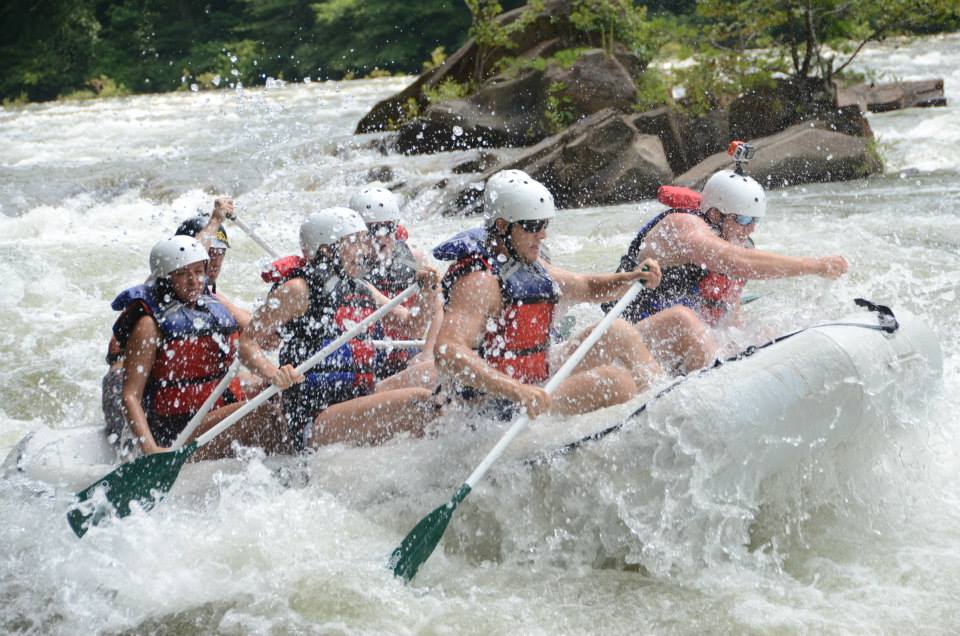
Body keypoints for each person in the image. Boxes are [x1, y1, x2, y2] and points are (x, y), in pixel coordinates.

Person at [433, 170, 664, 420]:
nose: (542, 235)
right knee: (616, 381)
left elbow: (587, 287)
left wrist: (630, 278)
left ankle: (663, 401)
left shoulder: (528, 265)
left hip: (533, 380)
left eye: (544, 224)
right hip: (492, 406)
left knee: (618, 331)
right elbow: (447, 350)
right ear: (502, 226)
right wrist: (517, 390)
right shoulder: (479, 282)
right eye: (532, 226)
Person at [239, 207, 440, 451]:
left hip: (359, 396)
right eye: (355, 243)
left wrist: (427, 293)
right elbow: (248, 342)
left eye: (364, 242)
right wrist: (273, 373)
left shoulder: (360, 288)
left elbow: (412, 327)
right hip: (315, 415)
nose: (365, 251)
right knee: (420, 402)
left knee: (439, 371)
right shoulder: (298, 290)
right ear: (326, 249)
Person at [605, 169, 849, 367]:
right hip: (626, 336)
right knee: (684, 321)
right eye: (743, 219)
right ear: (714, 214)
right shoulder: (682, 227)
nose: (750, 228)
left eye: (755, 220)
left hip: (677, 347)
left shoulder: (739, 243)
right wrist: (814, 266)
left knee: (761, 331)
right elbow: (735, 261)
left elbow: (728, 318)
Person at [114, 235, 287, 459]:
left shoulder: (212, 304)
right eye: (183, 274)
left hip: (210, 412)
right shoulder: (149, 324)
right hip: (174, 431)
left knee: (275, 394)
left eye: (198, 272)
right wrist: (152, 451)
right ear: (165, 279)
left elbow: (263, 338)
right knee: (262, 413)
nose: (194, 281)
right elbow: (130, 396)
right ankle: (291, 473)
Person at [349, 186, 442, 388]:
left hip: (406, 352)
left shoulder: (413, 257)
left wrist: (427, 353)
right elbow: (412, 327)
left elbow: (438, 309)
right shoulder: (350, 271)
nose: (381, 237)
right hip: (369, 361)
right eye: (372, 231)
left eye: (387, 228)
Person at [174, 197, 251, 329]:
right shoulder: (162, 279)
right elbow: (189, 254)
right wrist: (215, 220)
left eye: (220, 253)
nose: (215, 262)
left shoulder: (211, 296)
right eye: (209, 253)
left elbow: (255, 328)